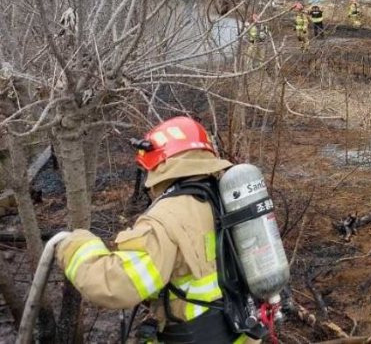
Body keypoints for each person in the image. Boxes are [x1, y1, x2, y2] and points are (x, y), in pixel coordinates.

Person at [55, 117, 257, 343]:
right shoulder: (226, 197)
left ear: (160, 163)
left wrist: (75, 246)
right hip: (241, 334)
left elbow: (116, 286)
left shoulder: (165, 218)